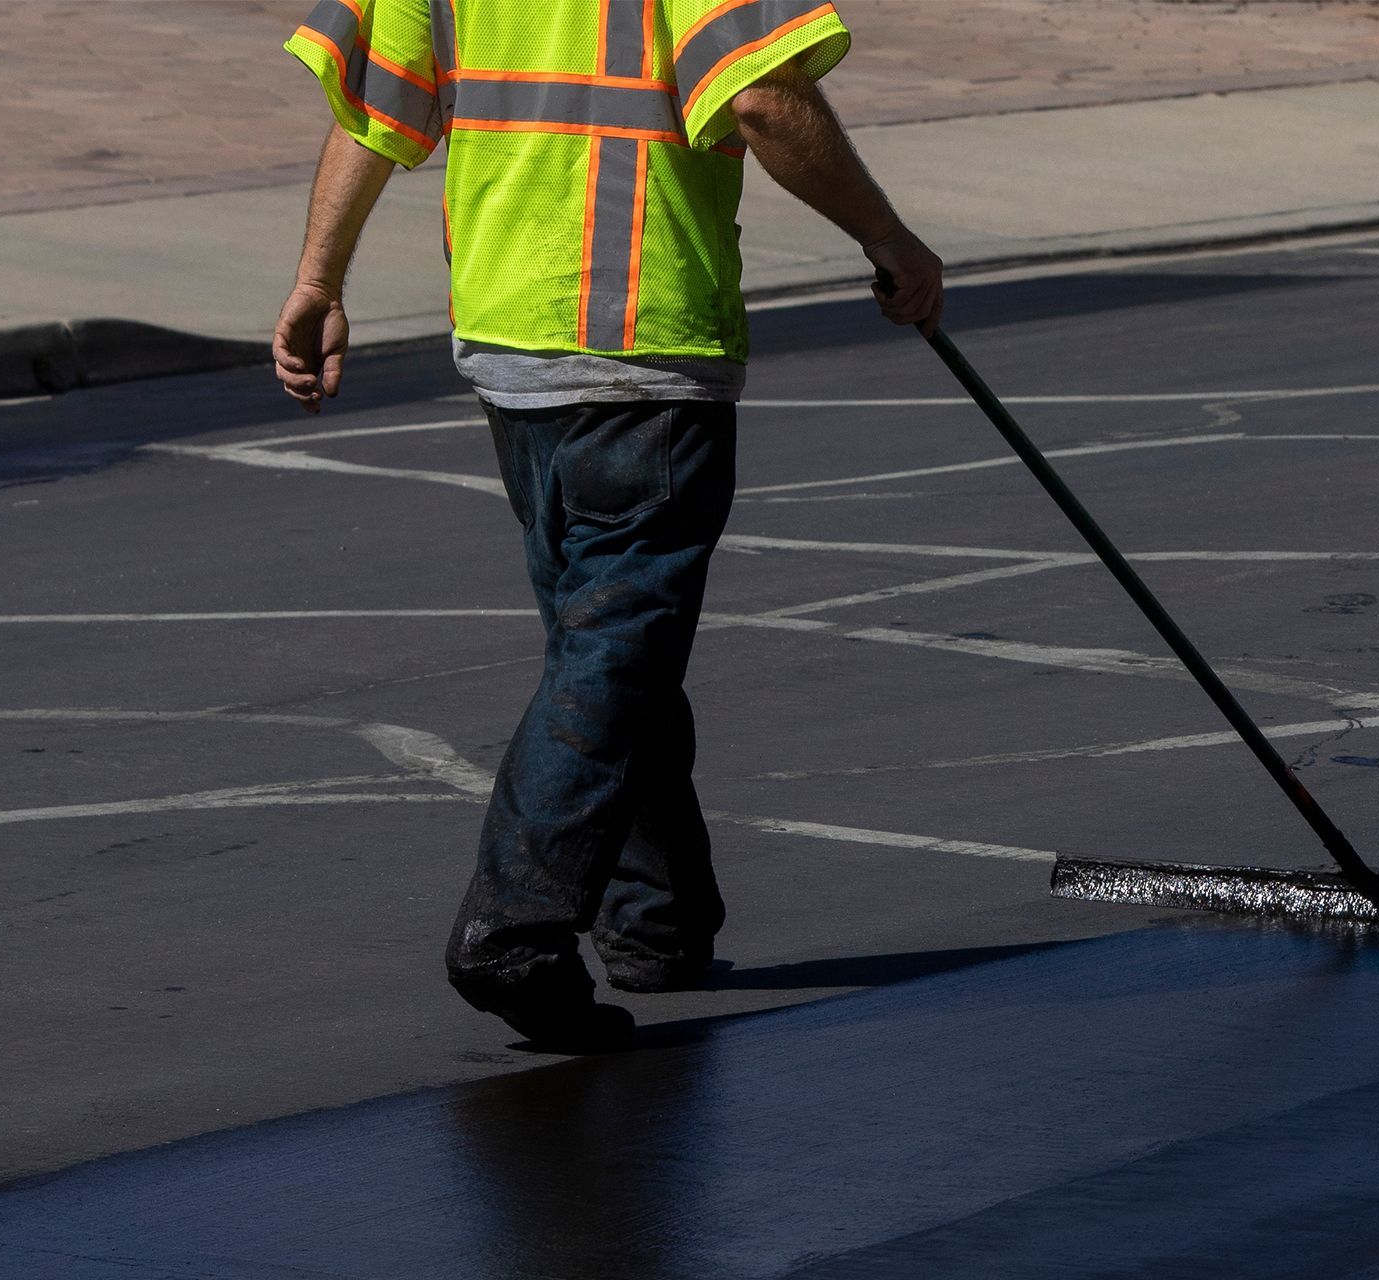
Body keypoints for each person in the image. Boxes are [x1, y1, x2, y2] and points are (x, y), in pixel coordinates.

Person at [274, 0, 943, 1051]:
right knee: (614, 649)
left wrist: (319, 279)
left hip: (509, 340)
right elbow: (765, 97)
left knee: (611, 643)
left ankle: (656, 923)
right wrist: (890, 237)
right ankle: (516, 926)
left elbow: (376, 109)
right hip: (640, 339)